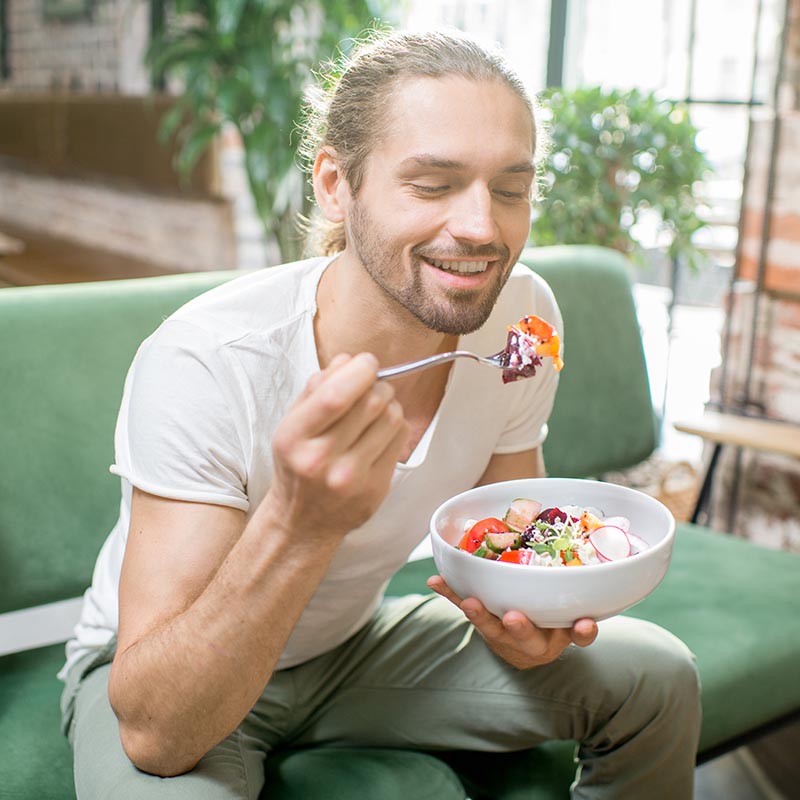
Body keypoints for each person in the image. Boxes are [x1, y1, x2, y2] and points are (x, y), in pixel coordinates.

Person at [59, 28, 701, 799]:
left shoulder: (523, 320)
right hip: (175, 671)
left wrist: (532, 616)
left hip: (350, 646)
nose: (483, 228)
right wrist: (301, 522)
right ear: (335, 183)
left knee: (658, 677)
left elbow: (509, 526)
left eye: (510, 188)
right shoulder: (208, 359)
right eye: (432, 184)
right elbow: (158, 733)